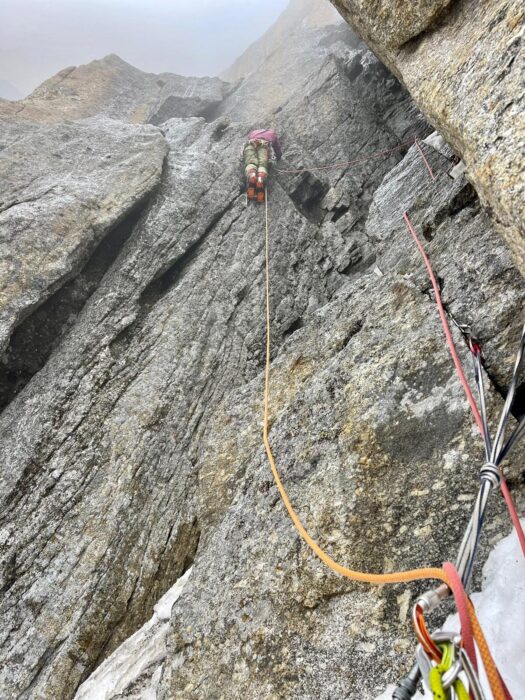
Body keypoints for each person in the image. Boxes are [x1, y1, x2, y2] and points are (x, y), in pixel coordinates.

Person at [242, 128, 283, 202]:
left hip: (250, 144)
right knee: (262, 165)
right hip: (264, 145)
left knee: (251, 163)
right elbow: (277, 148)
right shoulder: (272, 133)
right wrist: (278, 157)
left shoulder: (253, 132)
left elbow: (248, 138)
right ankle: (260, 179)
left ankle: (252, 175)